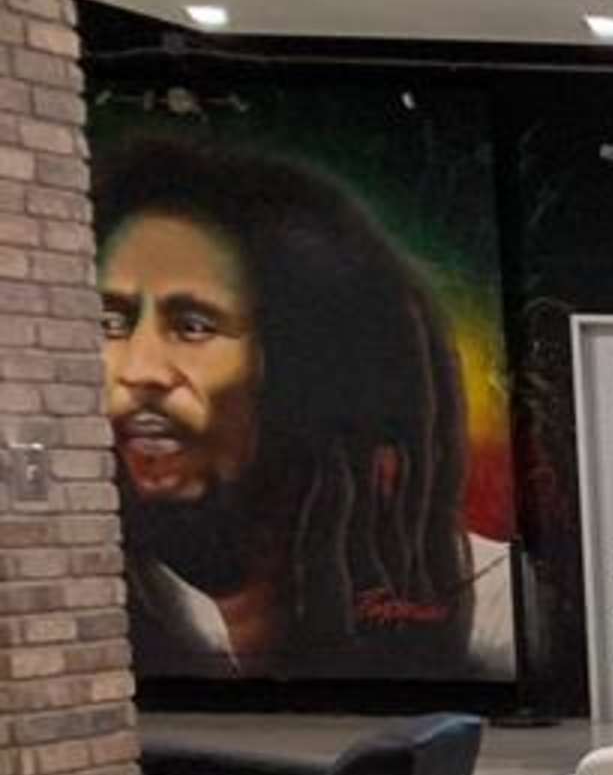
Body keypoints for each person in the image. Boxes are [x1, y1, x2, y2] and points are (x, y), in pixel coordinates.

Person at [97, 135, 478, 677]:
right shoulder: (109, 602)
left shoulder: (484, 606)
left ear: (303, 361)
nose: (139, 371)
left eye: (193, 326)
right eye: (112, 323)